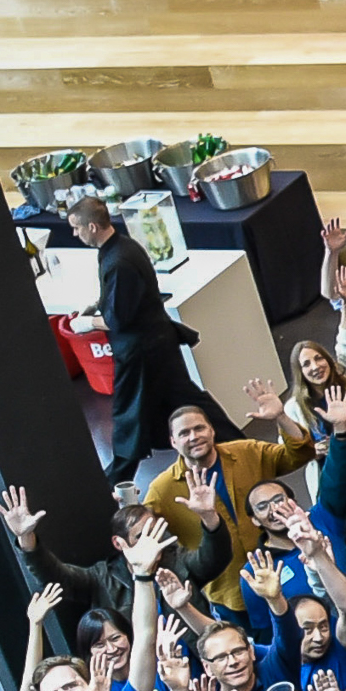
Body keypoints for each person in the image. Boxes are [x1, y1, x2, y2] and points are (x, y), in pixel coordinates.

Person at [70, 192, 233, 487]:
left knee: (129, 417)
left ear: (91, 227)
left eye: (76, 227)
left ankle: (115, 482)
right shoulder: (124, 248)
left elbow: (118, 319)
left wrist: (86, 323)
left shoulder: (118, 261)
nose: (74, 233)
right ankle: (239, 446)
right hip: (158, 345)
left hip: (141, 355)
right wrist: (99, 303)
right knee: (186, 400)